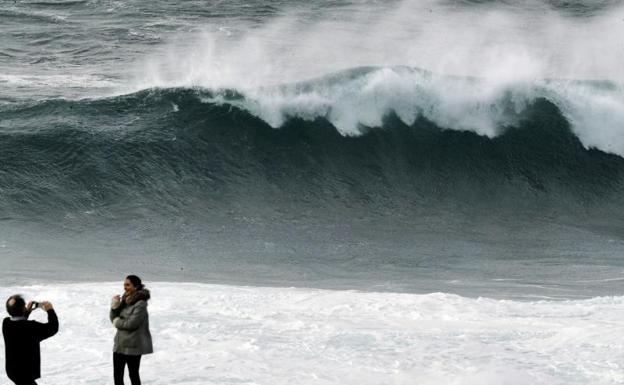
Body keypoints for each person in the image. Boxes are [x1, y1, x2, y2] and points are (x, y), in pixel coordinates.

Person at [2, 295, 59, 385]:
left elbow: (19, 324)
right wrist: (50, 310)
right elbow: (53, 327)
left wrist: (27, 312)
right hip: (24, 374)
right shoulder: (31, 328)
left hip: (12, 371)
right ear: (23, 309)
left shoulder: (6, 323)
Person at [110, 275, 153, 385]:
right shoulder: (124, 299)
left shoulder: (141, 304)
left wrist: (117, 322)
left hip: (133, 346)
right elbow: (113, 319)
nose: (125, 287)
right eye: (124, 284)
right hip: (119, 344)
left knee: (133, 374)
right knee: (117, 375)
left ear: (136, 286)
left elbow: (131, 324)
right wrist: (114, 307)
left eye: (128, 285)